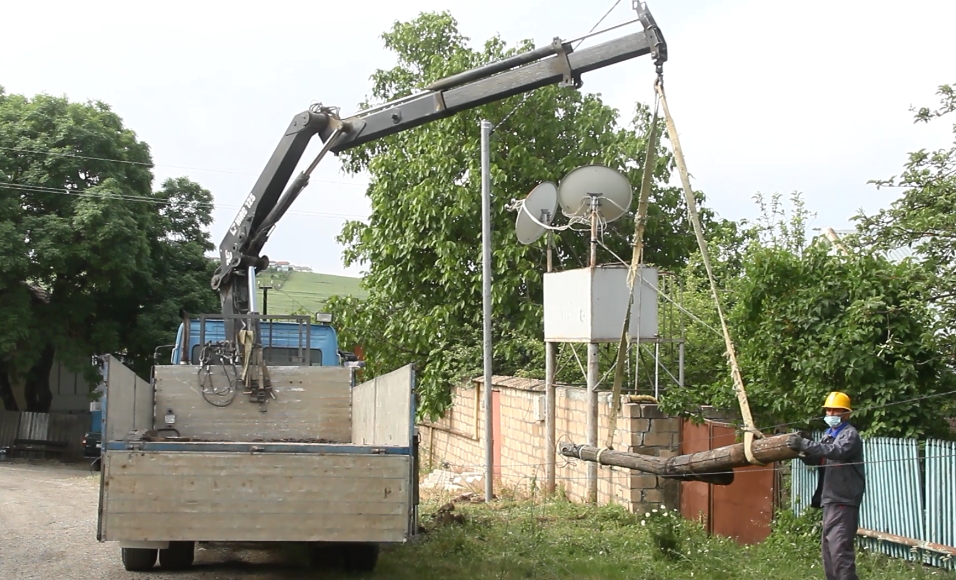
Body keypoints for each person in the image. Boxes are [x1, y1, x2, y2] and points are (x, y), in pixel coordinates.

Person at [788, 391, 866, 580]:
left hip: (844, 499)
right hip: (830, 498)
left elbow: (836, 452)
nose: (831, 414)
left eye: (836, 410)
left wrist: (806, 443)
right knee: (829, 553)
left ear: (846, 414)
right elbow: (820, 458)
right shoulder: (828, 435)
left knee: (840, 552)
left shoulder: (849, 435)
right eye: (828, 410)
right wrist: (801, 451)